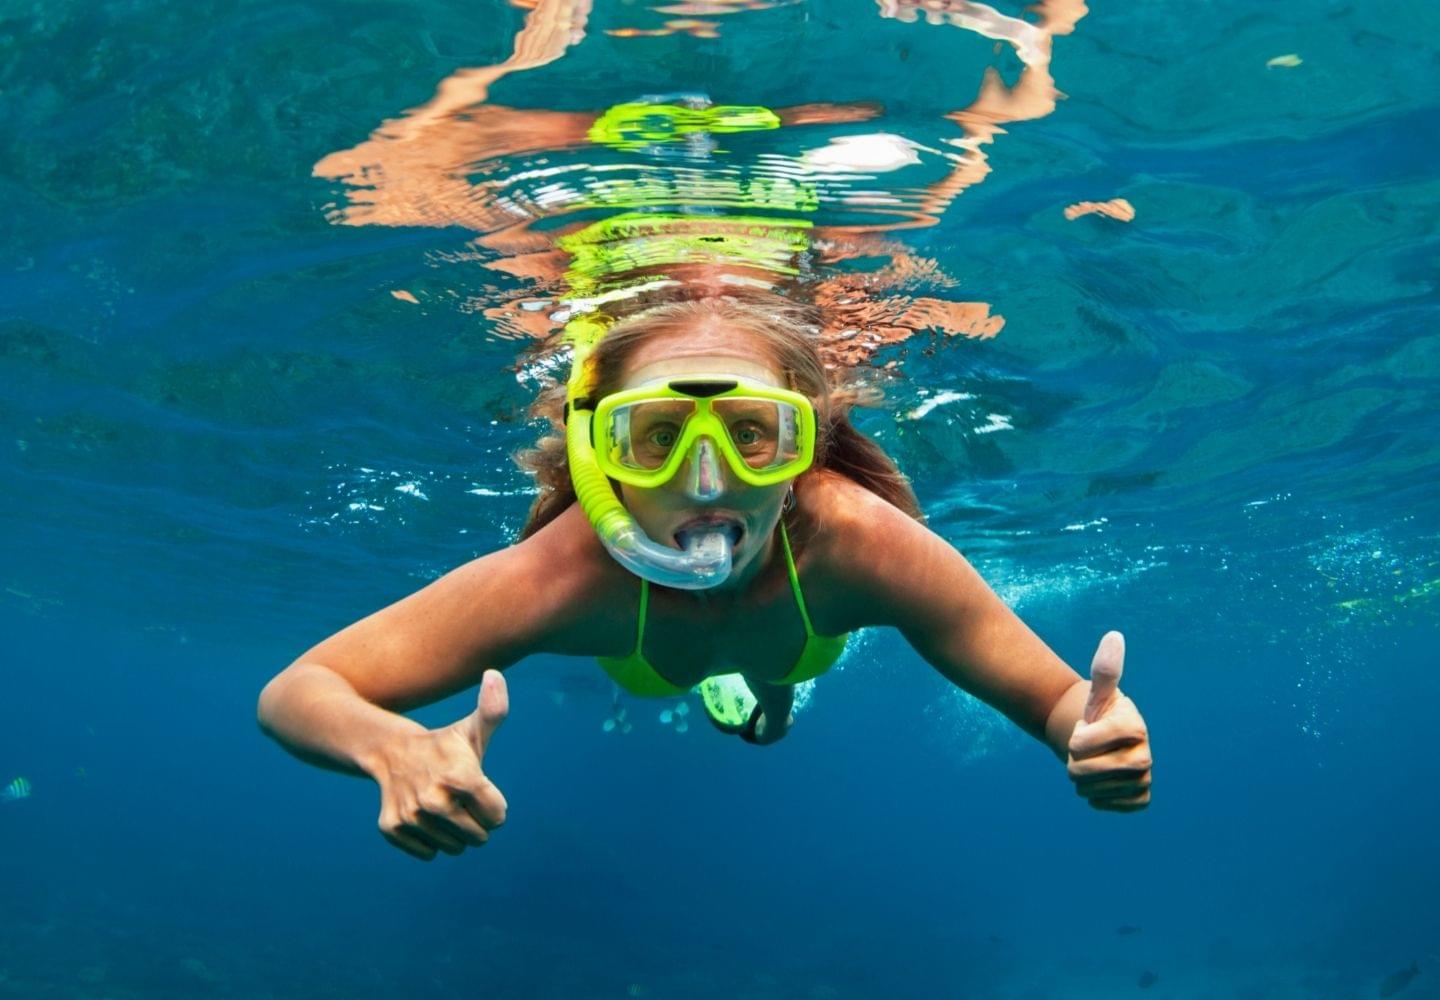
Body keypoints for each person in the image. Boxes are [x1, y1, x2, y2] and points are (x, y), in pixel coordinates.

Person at [257, 295, 1153, 862]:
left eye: (750, 433)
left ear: (804, 449)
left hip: (799, 638)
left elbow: (1060, 701)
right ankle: (758, 693)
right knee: (698, 676)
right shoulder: (564, 574)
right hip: (646, 656)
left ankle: (768, 701)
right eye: (658, 437)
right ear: (600, 452)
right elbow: (298, 692)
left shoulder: (866, 549)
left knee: (779, 680)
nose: (707, 475)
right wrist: (391, 748)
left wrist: (1092, 729)